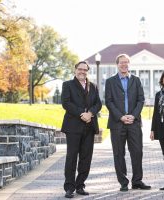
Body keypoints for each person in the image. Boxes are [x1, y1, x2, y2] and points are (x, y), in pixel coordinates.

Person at [105, 53, 151, 192]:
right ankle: (123, 182)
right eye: (121, 62)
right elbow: (109, 101)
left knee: (137, 152)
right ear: (117, 64)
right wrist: (121, 117)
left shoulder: (136, 80)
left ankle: (137, 181)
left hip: (134, 123)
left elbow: (141, 99)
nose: (124, 65)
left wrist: (133, 115)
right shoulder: (110, 81)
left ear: (129, 64)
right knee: (119, 153)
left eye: (126, 62)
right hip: (117, 123)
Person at [61, 61, 102, 198]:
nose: (82, 72)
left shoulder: (94, 86)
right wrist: (81, 113)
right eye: (80, 69)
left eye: (85, 70)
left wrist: (90, 113)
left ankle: (80, 185)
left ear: (87, 71)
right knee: (71, 157)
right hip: (73, 127)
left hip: (89, 127)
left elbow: (98, 103)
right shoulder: (67, 85)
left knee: (86, 158)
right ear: (75, 70)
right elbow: (66, 103)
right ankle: (69, 187)